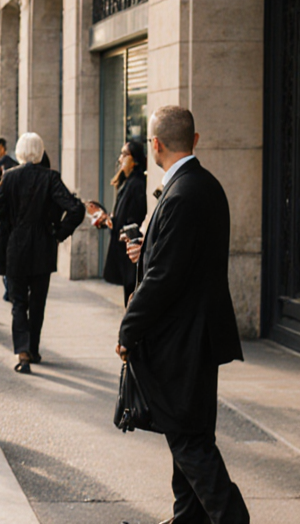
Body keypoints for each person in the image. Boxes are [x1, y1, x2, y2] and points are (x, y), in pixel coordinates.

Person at [119, 106, 248, 524]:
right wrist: (148, 251)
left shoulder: (181, 194)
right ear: (194, 140)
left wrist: (128, 328)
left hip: (182, 340)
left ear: (155, 145)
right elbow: (182, 260)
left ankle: (230, 518)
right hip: (198, 335)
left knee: (189, 440)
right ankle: (187, 517)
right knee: (189, 433)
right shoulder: (204, 186)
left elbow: (163, 279)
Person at [0, 132, 84, 374]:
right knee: (38, 302)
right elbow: (75, 208)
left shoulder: (9, 177)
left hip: (16, 246)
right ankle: (34, 347)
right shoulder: (50, 177)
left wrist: (11, 218)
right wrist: (59, 232)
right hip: (44, 246)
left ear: (19, 151)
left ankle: (22, 352)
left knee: (18, 302)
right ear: (41, 151)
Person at [88, 140, 147, 304]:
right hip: (124, 253)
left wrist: (112, 221)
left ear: (134, 160)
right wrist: (107, 219)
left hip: (131, 253)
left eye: (124, 154)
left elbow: (134, 220)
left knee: (132, 300)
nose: (120, 159)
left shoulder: (137, 184)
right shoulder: (127, 183)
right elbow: (121, 218)